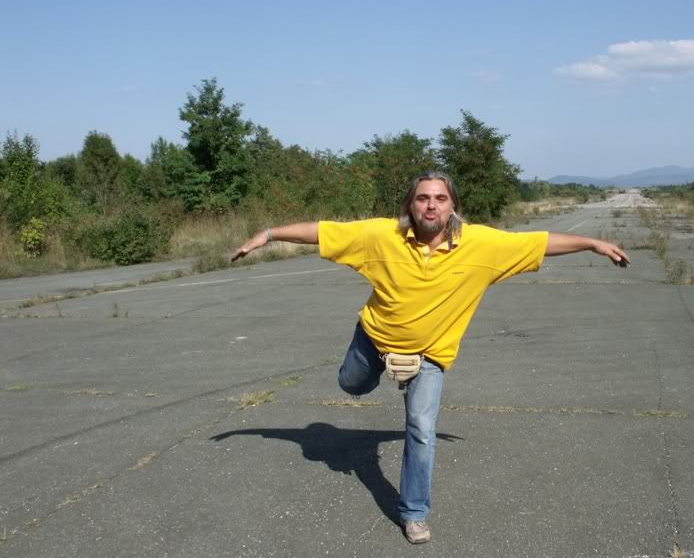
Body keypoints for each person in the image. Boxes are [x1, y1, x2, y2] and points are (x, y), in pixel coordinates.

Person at [232, 171, 630, 545]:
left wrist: (592, 244)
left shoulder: (481, 245)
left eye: (440, 198)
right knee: (350, 384)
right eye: (423, 198)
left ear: (452, 205)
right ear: (410, 204)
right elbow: (321, 232)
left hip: (429, 355)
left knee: (421, 427)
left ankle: (414, 513)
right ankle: (367, 370)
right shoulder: (380, 236)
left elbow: (539, 243)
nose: (431, 205)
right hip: (374, 340)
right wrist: (267, 235)